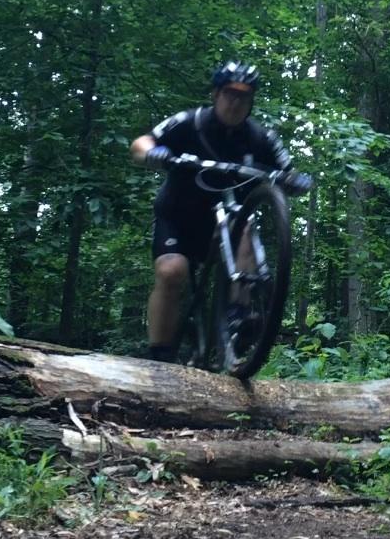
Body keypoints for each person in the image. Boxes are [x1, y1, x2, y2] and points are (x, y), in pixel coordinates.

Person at [130, 60, 311, 361]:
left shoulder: (260, 137)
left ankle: (238, 317)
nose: (236, 102)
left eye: (244, 96)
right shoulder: (190, 122)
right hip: (178, 218)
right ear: (216, 94)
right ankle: (159, 355)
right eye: (230, 93)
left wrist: (295, 180)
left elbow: (288, 171)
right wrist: (154, 152)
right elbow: (141, 143)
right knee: (171, 271)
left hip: (226, 220)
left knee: (244, 225)